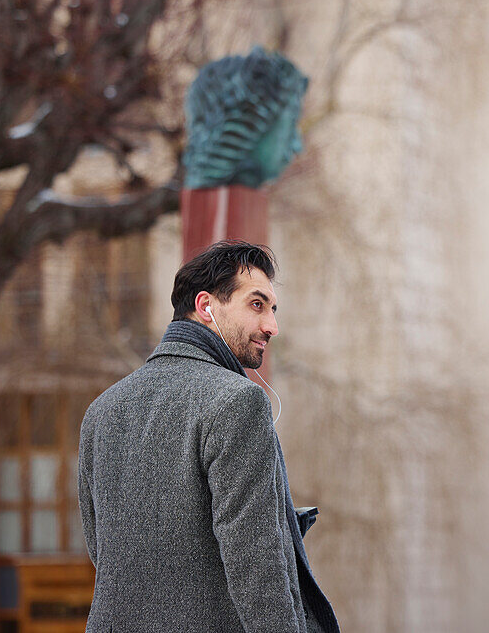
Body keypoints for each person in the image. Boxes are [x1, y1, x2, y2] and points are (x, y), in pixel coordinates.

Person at [78, 240, 339, 633]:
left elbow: (103, 551)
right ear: (206, 307)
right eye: (257, 304)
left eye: (272, 309)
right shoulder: (238, 401)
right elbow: (256, 564)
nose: (272, 326)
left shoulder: (100, 410)